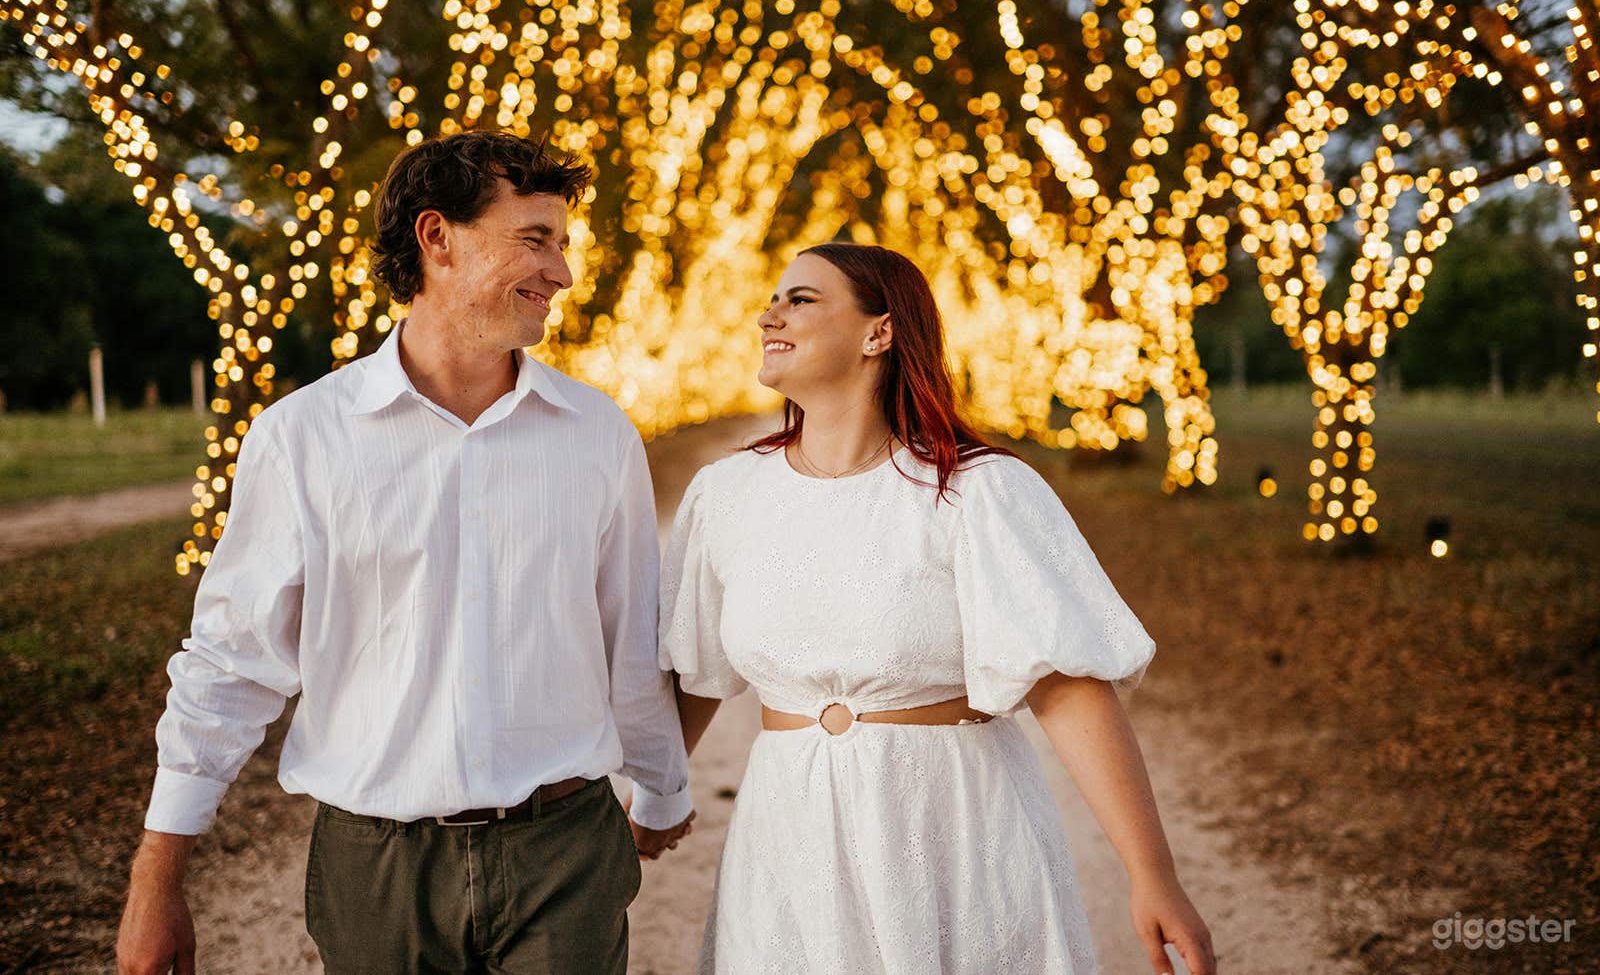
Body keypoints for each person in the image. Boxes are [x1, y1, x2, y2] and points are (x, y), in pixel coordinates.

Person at [116, 130, 696, 975]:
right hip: (372, 870)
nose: (562, 273)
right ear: (437, 239)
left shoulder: (598, 435)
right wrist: (157, 878)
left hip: (564, 855)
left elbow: (627, 642)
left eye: (562, 243)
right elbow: (232, 661)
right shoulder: (302, 437)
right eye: (535, 239)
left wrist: (664, 783)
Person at [659, 242, 1216, 975]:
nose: (770, 314)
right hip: (787, 834)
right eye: (774, 298)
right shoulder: (726, 494)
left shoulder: (978, 491)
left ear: (878, 332)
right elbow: (695, 669)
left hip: (953, 827)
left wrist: (1153, 873)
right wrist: (649, 791)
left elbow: (1066, 687)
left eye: (801, 299)